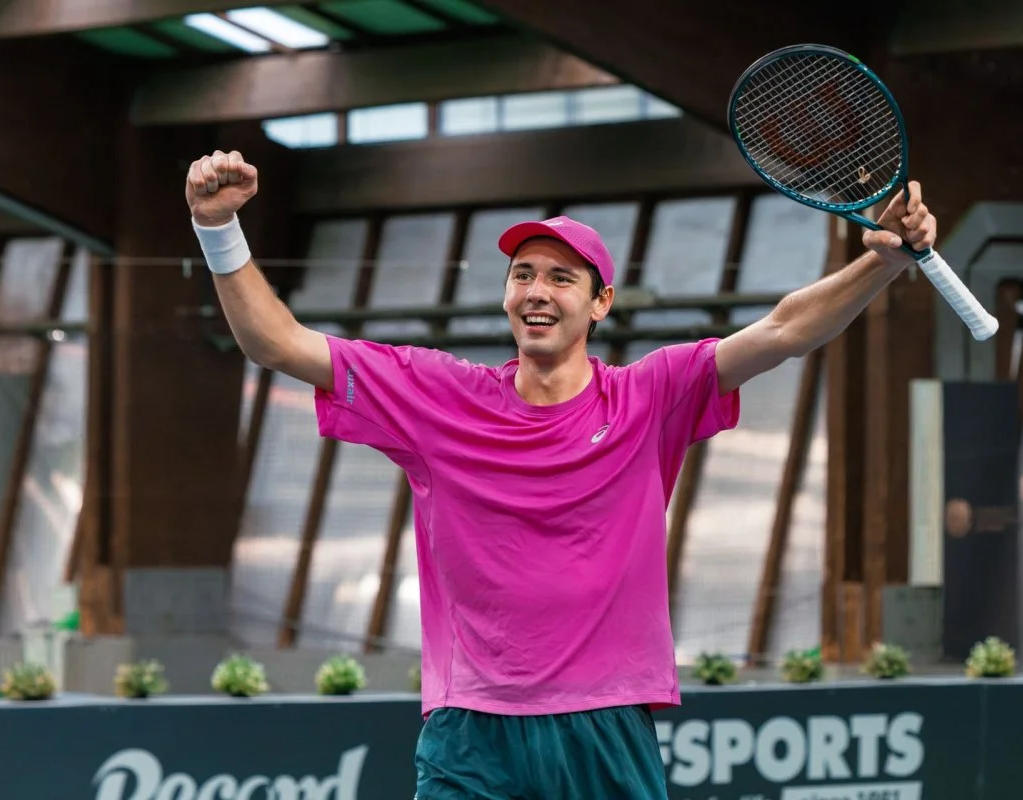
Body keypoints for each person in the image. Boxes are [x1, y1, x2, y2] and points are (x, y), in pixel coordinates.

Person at [185, 149, 937, 799]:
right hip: (470, 728)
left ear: (600, 301)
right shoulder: (435, 395)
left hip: (604, 723)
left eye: (561, 278)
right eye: (522, 275)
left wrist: (882, 261)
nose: (537, 291)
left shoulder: (652, 396)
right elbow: (277, 343)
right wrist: (217, 227)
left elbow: (784, 330)